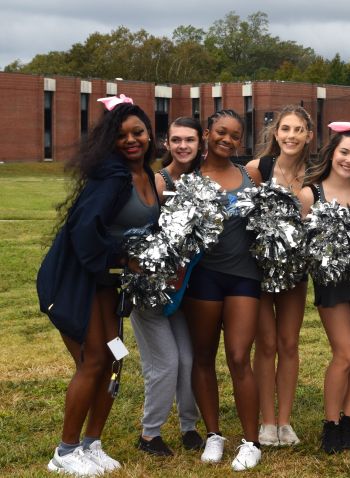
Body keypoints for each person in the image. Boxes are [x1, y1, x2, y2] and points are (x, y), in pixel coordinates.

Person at [37, 96, 158, 476]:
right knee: (93, 360)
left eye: (137, 132)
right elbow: (83, 231)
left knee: (114, 357)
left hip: (109, 285)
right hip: (79, 280)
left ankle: (92, 444)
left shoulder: (149, 176)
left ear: (149, 134)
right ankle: (65, 451)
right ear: (110, 142)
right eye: (121, 136)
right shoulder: (113, 176)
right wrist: (123, 257)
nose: (131, 140)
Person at [182, 109, 262, 471]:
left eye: (234, 135)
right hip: (205, 276)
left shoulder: (251, 175)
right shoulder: (189, 177)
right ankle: (214, 434)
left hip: (244, 276)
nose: (227, 140)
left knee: (239, 357)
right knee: (203, 356)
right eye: (220, 132)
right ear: (207, 133)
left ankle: (251, 441)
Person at [297, 123, 350, 454]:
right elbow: (298, 245)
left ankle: (348, 420)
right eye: (344, 152)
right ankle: (330, 424)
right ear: (332, 154)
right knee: (344, 352)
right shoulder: (310, 194)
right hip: (330, 285)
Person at [129, 117, 204, 456]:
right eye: (177, 140)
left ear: (199, 142)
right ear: (166, 144)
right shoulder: (158, 181)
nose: (183, 145)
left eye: (189, 139)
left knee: (188, 360)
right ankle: (150, 435)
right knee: (165, 362)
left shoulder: (202, 182)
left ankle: (189, 427)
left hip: (180, 291)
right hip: (151, 288)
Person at [245, 105, 314, 447]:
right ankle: (266, 422)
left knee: (288, 343)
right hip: (258, 272)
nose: (291, 136)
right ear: (276, 134)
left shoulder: (314, 174)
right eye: (285, 129)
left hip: (295, 273)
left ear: (308, 135)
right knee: (267, 343)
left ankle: (285, 422)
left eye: (298, 130)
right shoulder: (258, 170)